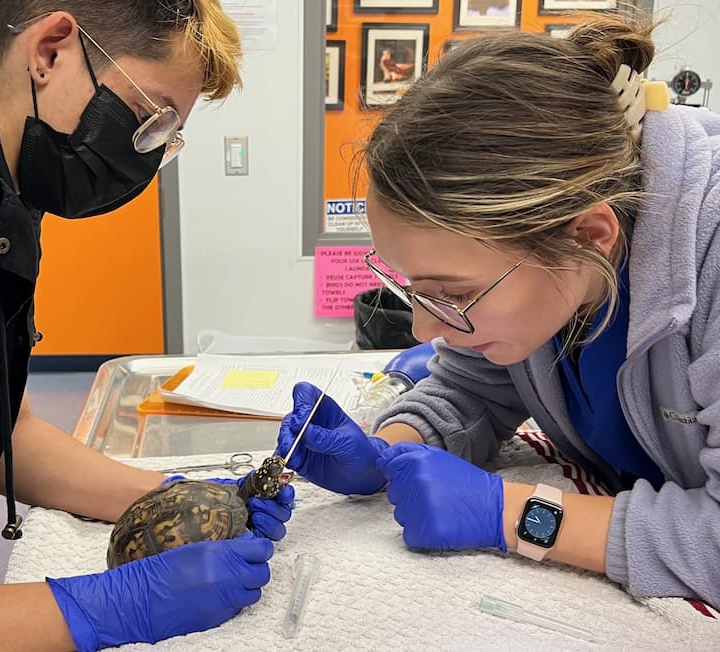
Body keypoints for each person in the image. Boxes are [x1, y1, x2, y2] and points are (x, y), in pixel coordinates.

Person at [0, 2, 294, 650]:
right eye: (151, 118)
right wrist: (109, 607)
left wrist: (180, 497)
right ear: (51, 49)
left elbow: (1, 434)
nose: (146, 151)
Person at [277, 12, 720, 610]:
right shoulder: (552, 270)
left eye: (455, 294)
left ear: (590, 236)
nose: (425, 329)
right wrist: (389, 452)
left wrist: (512, 513)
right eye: (415, 289)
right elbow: (475, 391)